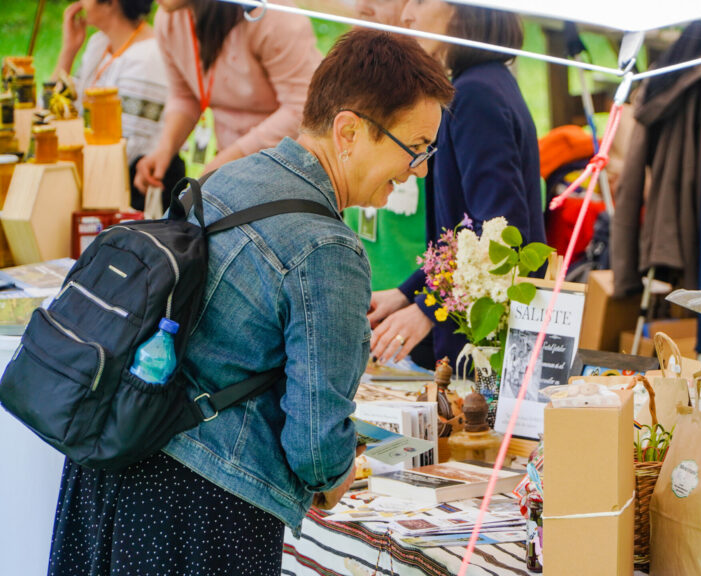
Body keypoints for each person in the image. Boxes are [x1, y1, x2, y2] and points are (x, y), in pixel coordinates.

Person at [47, 29, 454, 576]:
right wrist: (335, 478)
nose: (421, 169)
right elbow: (315, 441)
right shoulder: (328, 249)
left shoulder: (229, 179)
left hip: (110, 467)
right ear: (349, 131)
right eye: (415, 149)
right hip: (198, 511)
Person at [368, 1, 544, 367]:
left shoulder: (476, 95)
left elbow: (501, 235)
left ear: (465, 9)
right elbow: (465, 236)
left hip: (483, 346)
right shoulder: (483, 84)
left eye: (419, 0)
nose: (406, 15)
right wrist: (406, 293)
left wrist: (427, 310)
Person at [133, 0, 321, 194]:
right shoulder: (169, 19)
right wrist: (165, 150)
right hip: (232, 174)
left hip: (293, 175)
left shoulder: (273, 16)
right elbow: (184, 96)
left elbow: (303, 107)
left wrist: (230, 159)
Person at [53, 0, 181, 211]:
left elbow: (126, 149)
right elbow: (57, 111)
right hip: (99, 173)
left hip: (133, 188)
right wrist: (68, 51)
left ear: (110, 3)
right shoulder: (99, 44)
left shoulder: (148, 57)